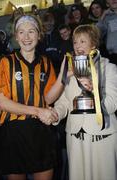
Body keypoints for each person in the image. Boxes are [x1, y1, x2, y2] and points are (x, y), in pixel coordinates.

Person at [0, 15, 66, 180]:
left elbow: (48, 99)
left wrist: (63, 76)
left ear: (39, 35)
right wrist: (38, 111)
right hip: (14, 133)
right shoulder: (6, 62)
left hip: (41, 133)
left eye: (31, 31)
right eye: (22, 32)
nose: (26, 37)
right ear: (16, 36)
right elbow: (3, 103)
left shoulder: (46, 63)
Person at [51, 24, 117, 180]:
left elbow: (113, 103)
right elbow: (64, 102)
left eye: (82, 41)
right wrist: (56, 114)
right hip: (75, 137)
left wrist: (93, 90)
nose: (77, 46)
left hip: (102, 135)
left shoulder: (109, 68)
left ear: (93, 44)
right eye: (75, 42)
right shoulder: (69, 70)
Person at [97, 0, 117, 65]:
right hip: (114, 55)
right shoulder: (107, 17)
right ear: (107, 4)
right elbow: (97, 33)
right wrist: (103, 15)